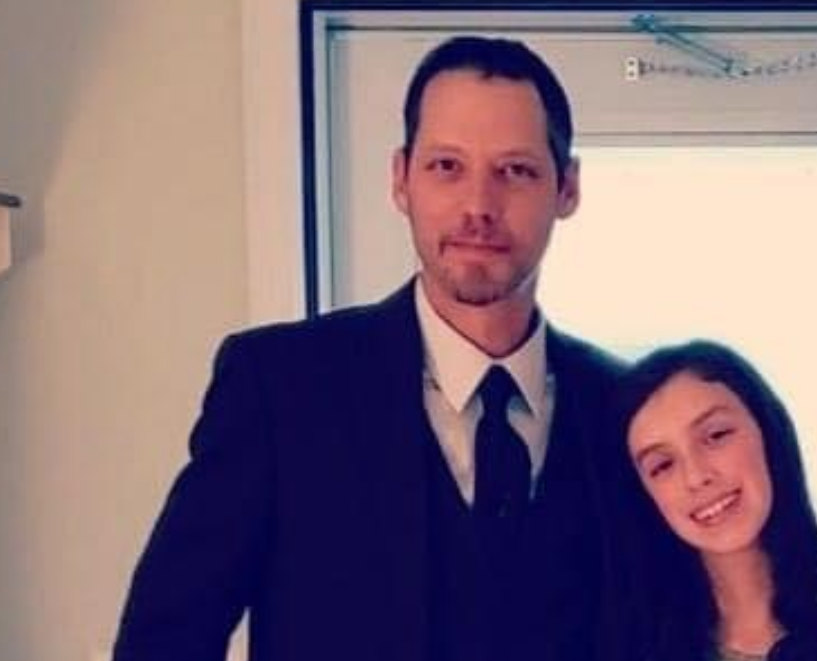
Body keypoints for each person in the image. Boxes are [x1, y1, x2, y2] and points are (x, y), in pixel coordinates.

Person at [112, 36, 627, 661]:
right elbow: (164, 640)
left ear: (567, 188)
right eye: (447, 166)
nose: (478, 206)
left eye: (515, 171)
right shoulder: (280, 389)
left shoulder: (624, 408)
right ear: (401, 179)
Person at [616, 340, 817, 661]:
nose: (696, 476)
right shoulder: (627, 645)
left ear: (768, 433)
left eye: (716, 436)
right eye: (662, 465)